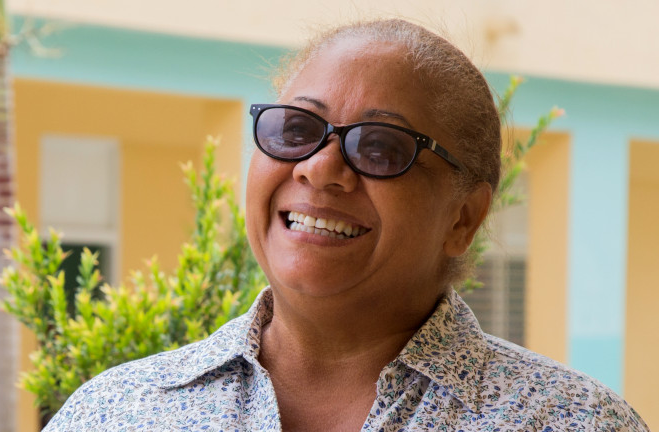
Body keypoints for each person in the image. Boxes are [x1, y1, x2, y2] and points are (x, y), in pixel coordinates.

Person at [44, 19, 648, 431]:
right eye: (296, 129)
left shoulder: (571, 421)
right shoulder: (117, 411)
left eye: (381, 147)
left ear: (463, 218)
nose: (319, 167)